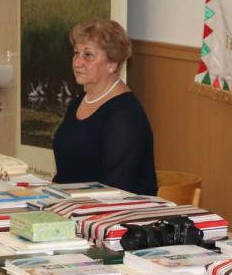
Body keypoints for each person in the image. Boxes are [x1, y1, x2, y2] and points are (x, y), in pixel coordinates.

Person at [52, 19, 157, 196]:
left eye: (88, 55)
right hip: (71, 204)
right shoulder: (77, 103)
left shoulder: (125, 116)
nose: (77, 62)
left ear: (112, 64)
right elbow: (66, 173)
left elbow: (116, 189)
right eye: (76, 53)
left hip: (116, 209)